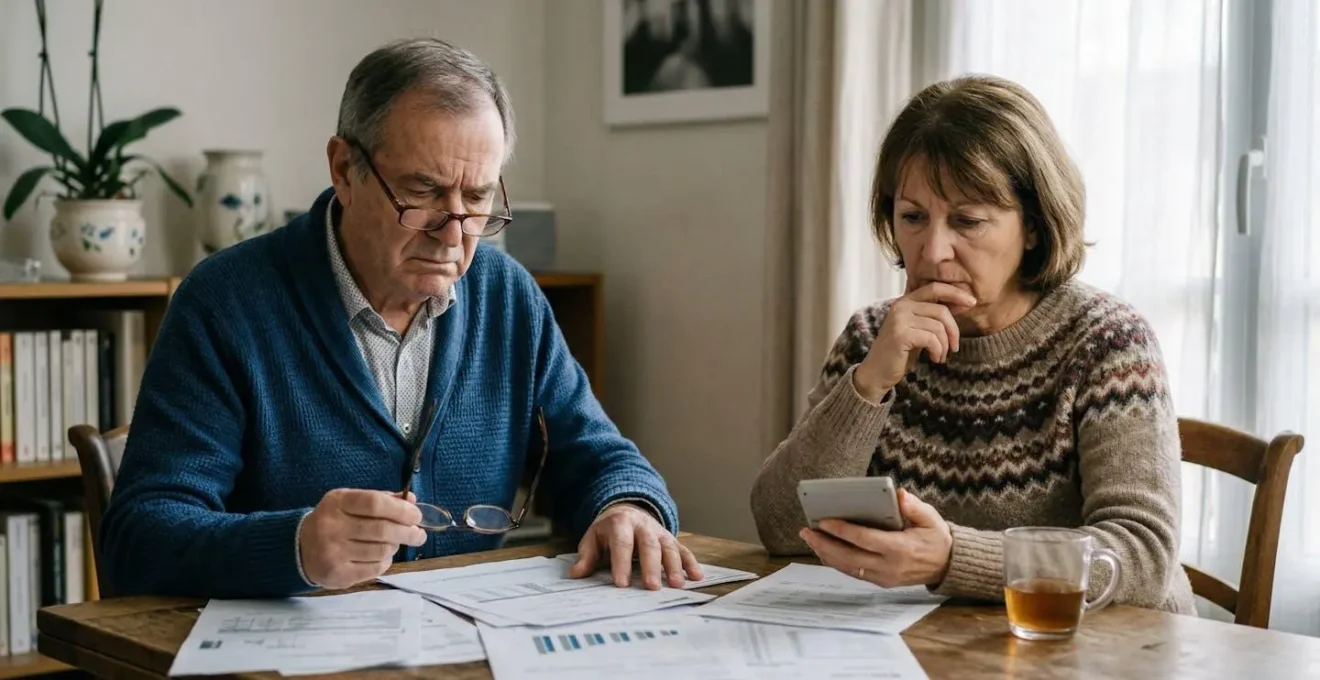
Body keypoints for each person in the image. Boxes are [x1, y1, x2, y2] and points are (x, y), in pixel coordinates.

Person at [101, 38, 701, 598]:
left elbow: (598, 455)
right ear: (343, 170)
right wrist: (294, 548)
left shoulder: (508, 298)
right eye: (422, 192)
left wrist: (628, 507)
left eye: (478, 198)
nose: (455, 232)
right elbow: (139, 537)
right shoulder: (226, 303)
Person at [750, 75, 1196, 615]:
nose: (934, 250)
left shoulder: (1108, 344)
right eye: (913, 217)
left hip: (1106, 655)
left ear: (1032, 226)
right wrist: (868, 386)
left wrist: (952, 559)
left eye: (968, 221)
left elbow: (1144, 561)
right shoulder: (873, 337)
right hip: (938, 651)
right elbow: (781, 529)